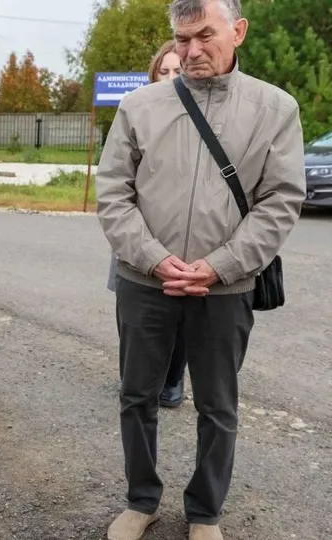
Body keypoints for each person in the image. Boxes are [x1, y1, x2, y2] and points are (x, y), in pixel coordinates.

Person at [96, 1, 306, 539]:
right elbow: (114, 193)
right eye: (181, 39)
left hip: (225, 288)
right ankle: (140, 501)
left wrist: (218, 267)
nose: (191, 51)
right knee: (137, 396)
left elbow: (280, 200)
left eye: (204, 36)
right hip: (147, 283)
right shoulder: (139, 107)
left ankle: (205, 512)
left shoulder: (275, 108)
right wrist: (150, 256)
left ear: (238, 32)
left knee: (218, 405)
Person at [107, 39, 187, 409]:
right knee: (136, 316)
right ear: (153, 75)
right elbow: (117, 184)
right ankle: (135, 376)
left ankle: (172, 379)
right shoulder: (136, 115)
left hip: (187, 240)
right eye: (164, 71)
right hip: (139, 236)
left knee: (183, 315)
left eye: (178, 71)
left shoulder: (203, 121)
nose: (171, 78)